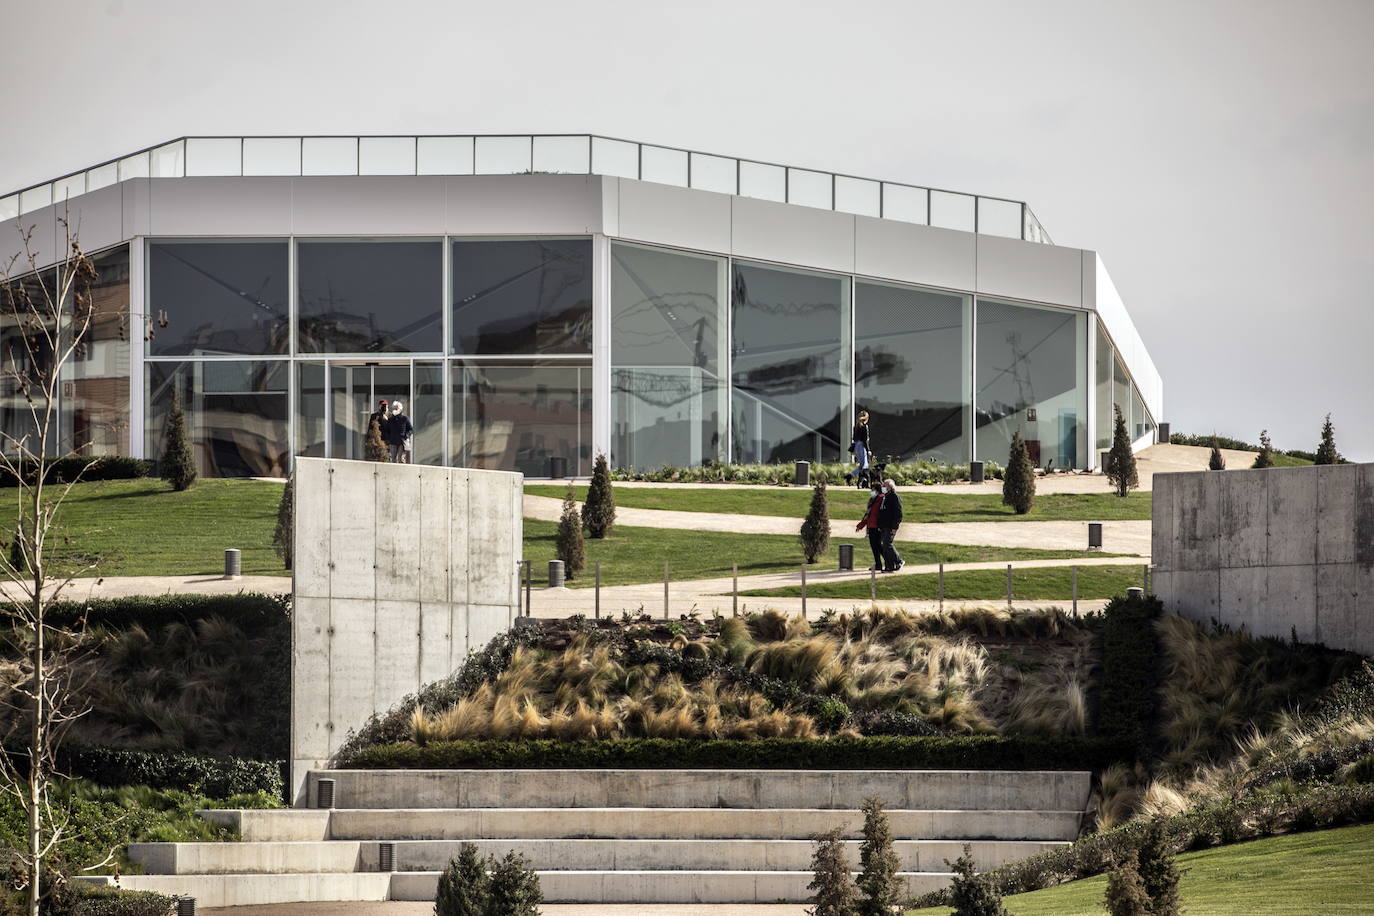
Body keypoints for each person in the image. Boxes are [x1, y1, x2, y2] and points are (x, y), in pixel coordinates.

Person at [855, 481, 885, 571]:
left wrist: (861, 525)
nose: (871, 491)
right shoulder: (874, 500)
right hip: (871, 526)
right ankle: (878, 564)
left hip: (877, 526)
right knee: (875, 546)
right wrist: (861, 525)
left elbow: (875, 515)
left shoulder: (881, 499)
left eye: (872, 490)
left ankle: (889, 561)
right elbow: (869, 516)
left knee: (878, 546)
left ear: (876, 490)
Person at [876, 478, 904, 573]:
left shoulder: (894, 497)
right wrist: (879, 525)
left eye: (884, 485)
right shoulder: (885, 496)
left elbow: (898, 513)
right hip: (884, 525)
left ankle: (899, 561)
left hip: (890, 525)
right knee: (884, 546)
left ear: (890, 487)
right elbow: (882, 512)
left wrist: (895, 526)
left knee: (887, 544)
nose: (883, 487)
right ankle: (889, 566)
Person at [846, 410, 872, 488]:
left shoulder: (856, 426)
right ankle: (850, 475)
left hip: (856, 446)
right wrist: (868, 450)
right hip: (861, 446)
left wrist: (853, 449)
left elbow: (854, 438)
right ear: (866, 418)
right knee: (863, 465)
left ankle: (864, 482)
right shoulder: (865, 426)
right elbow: (865, 440)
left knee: (864, 465)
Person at [385, 399, 414, 463]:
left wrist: (406, 436)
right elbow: (387, 430)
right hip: (392, 442)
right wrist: (389, 438)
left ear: (400, 409)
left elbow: (410, 429)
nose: (394, 409)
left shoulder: (405, 418)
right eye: (393, 408)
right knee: (393, 459)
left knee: (401, 459)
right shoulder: (390, 419)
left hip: (402, 442)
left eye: (396, 408)